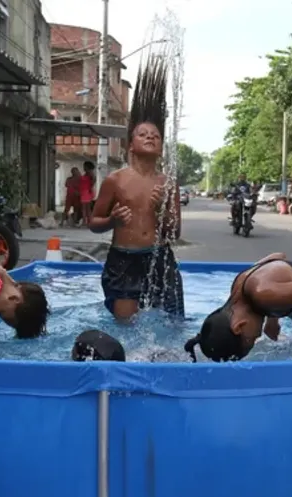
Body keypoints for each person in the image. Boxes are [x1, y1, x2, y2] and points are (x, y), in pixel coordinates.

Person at [89, 55, 185, 321]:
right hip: (124, 259)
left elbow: (174, 232)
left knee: (171, 323)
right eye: (143, 134)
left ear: (161, 146)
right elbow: (94, 222)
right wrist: (112, 219)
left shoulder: (168, 184)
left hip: (159, 258)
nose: (150, 137)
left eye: (155, 135)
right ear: (131, 145)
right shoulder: (116, 181)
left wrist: (159, 211)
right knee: (126, 326)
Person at [79, 161, 97, 226]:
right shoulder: (88, 173)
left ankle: (86, 222)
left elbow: (93, 181)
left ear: (87, 167)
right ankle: (88, 222)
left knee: (85, 209)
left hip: (86, 192)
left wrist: (90, 187)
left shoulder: (90, 173)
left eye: (84, 166)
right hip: (85, 192)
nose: (83, 167)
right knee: (87, 209)